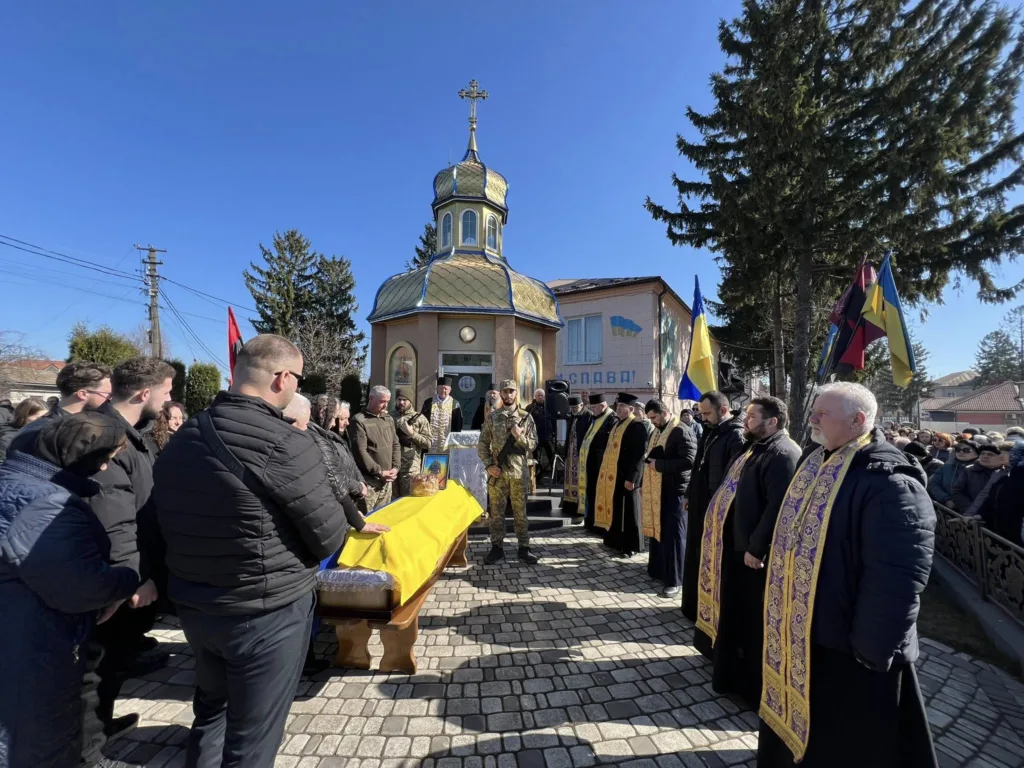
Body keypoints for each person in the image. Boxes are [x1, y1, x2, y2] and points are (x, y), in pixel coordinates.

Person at [153, 334, 351, 768]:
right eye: (298, 379)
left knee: (210, 714)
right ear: (281, 378)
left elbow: (161, 517)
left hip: (196, 605)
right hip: (266, 612)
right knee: (252, 740)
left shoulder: (186, 435)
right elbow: (329, 536)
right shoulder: (285, 443)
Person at [757, 383, 936, 768]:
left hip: (850, 650)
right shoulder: (817, 461)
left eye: (823, 413)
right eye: (814, 411)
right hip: (806, 636)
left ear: (858, 421)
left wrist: (870, 651)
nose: (813, 420)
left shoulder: (891, 483)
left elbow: (897, 578)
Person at [0, 413, 141, 768]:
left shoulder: (17, 480)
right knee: (33, 742)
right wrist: (125, 580)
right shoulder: (46, 504)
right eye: (104, 458)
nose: (107, 468)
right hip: (31, 643)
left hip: (24, 633)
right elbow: (79, 586)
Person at [89, 357, 175, 739]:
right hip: (119, 578)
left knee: (113, 663)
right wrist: (135, 578)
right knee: (95, 670)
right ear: (145, 393)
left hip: (133, 568)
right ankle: (87, 747)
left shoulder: (130, 432)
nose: (170, 398)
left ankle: (102, 724)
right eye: (167, 391)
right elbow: (113, 516)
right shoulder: (107, 435)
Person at [696, 396, 800, 710]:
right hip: (734, 546)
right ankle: (728, 672)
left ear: (773, 422)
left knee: (751, 621)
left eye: (753, 416)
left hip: (752, 556)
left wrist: (757, 548)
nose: (747, 420)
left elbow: (777, 508)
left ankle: (749, 685)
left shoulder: (783, 453)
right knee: (734, 613)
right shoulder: (755, 446)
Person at [682, 391, 745, 626]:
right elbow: (698, 465)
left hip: (716, 505)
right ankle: (692, 605)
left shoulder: (736, 435)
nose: (703, 418)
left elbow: (732, 478)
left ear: (724, 410)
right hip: (699, 501)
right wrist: (689, 493)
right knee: (695, 552)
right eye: (702, 413)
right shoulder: (710, 431)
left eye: (707, 413)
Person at [480, 379, 539, 565]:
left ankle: (524, 547)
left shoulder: (526, 417)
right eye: (505, 391)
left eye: (511, 391)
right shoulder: (492, 417)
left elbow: (533, 444)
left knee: (520, 512)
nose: (508, 395)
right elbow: (482, 444)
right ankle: (496, 548)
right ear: (500, 393)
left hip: (518, 473)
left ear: (516, 393)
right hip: (497, 473)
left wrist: (519, 436)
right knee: (496, 513)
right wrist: (489, 465)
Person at [642, 399, 697, 597]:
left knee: (675, 536)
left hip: (676, 491)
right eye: (650, 419)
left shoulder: (681, 430)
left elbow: (690, 461)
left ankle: (676, 580)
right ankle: (660, 570)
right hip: (659, 489)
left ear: (664, 412)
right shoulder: (657, 430)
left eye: (654, 417)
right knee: (661, 531)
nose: (652, 422)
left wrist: (659, 466)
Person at [9, 363, 113, 453]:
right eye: (107, 394)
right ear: (83, 394)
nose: (110, 398)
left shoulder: (80, 426)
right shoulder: (42, 433)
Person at [594, 393, 650, 558]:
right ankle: (615, 540)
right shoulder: (618, 424)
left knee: (630, 513)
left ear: (631, 409)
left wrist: (632, 478)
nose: (617, 410)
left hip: (628, 477)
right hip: (615, 476)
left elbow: (639, 456)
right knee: (618, 509)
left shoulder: (637, 426)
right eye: (616, 407)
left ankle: (630, 546)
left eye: (620, 407)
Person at [349, 385, 401, 512]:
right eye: (382, 401)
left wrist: (396, 467)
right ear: (371, 399)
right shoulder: (359, 420)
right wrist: (379, 472)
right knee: (367, 517)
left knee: (384, 516)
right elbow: (360, 451)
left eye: (388, 402)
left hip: (387, 480)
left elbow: (395, 444)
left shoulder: (388, 419)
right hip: (370, 482)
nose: (385, 405)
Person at [578, 393, 616, 532]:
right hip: (591, 463)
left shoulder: (612, 419)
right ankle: (590, 521)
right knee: (591, 492)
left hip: (601, 464)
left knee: (599, 493)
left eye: (594, 407)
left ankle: (599, 524)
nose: (592, 410)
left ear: (602, 406)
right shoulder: (595, 418)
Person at [393, 387, 432, 496]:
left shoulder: (420, 419)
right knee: (390, 503)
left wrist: (412, 434)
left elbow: (428, 443)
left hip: (410, 468)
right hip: (391, 467)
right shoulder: (389, 417)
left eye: (404, 400)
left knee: (408, 499)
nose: (401, 402)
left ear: (410, 401)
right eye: (399, 399)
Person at [559, 395, 592, 519]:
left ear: (581, 405)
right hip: (570, 452)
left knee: (579, 479)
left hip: (580, 453)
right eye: (571, 407)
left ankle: (579, 507)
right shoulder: (571, 416)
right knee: (568, 479)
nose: (573, 409)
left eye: (575, 407)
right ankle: (568, 505)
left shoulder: (588, 415)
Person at [987, 442, 1024, 545]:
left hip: (1016, 537)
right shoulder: (1007, 475)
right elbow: (992, 498)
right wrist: (980, 514)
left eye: (1007, 452)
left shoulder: (1018, 477)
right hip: (1004, 534)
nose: (1000, 456)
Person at [951, 442, 1000, 512]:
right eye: (982, 453)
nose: (985, 456)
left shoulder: (1004, 473)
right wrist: (970, 509)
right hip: (970, 515)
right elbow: (957, 492)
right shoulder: (969, 471)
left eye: (990, 454)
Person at [928, 439, 977, 507]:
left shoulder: (980, 469)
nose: (961, 452)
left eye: (966, 450)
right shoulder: (946, 466)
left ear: (977, 453)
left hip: (971, 509)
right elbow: (934, 484)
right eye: (958, 449)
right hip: (947, 508)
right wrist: (946, 499)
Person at [422, 375, 463, 450]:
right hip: (430, 441)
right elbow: (422, 421)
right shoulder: (428, 402)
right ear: (437, 389)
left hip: (448, 441)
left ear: (450, 390)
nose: (443, 391)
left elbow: (458, 425)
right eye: (441, 388)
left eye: (445, 389)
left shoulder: (455, 404)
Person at [526, 388, 554, 476]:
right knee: (535, 457)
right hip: (535, 436)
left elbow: (553, 421)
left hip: (547, 436)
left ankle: (554, 474)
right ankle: (536, 476)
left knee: (552, 455)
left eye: (542, 395)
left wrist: (553, 432)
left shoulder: (548, 407)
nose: (540, 397)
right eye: (538, 395)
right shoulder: (530, 407)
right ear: (535, 396)